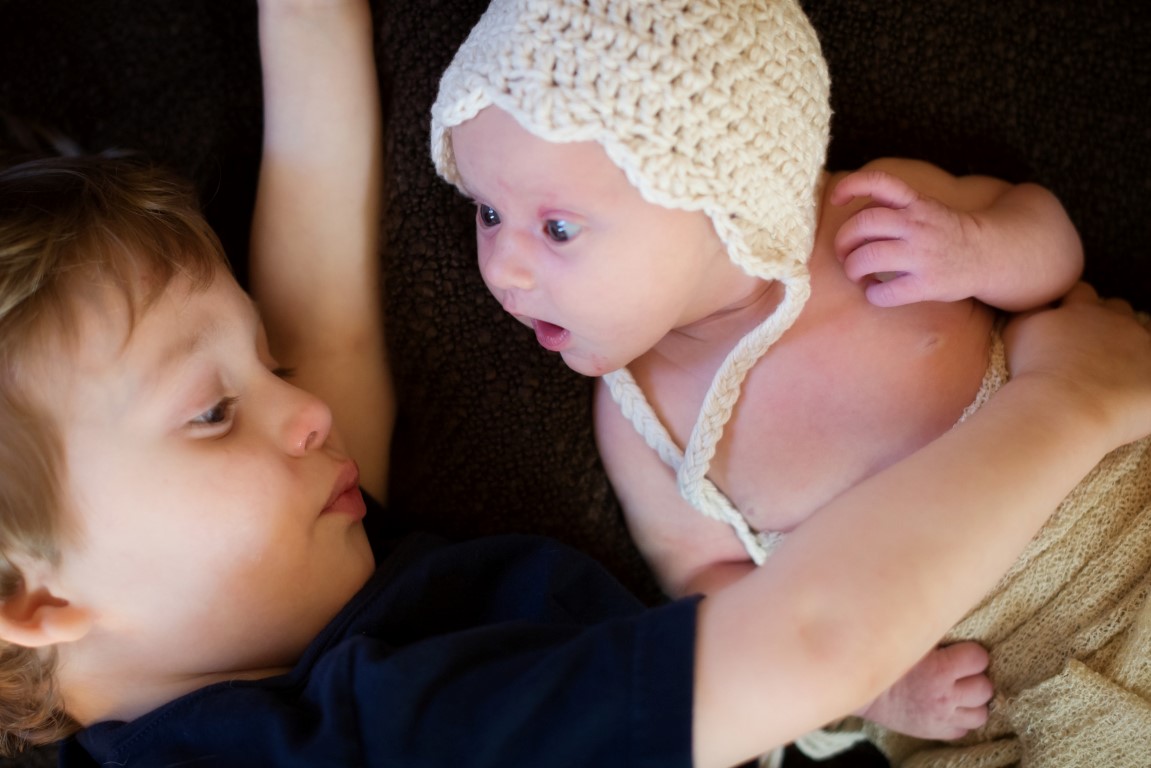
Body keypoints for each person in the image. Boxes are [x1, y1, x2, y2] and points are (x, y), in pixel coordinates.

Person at [1, 2, 1150, 768]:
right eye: (212, 414)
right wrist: (1068, 405)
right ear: (31, 599)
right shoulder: (362, 739)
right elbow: (805, 642)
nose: (305, 409)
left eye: (262, 366)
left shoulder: (275, 619)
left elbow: (322, 302)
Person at [429, 0, 1151, 764]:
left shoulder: (871, 218)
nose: (501, 271)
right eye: (486, 212)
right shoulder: (640, 419)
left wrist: (978, 247)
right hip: (992, 695)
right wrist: (876, 690)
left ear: (716, 193)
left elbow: (1048, 245)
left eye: (557, 229)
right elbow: (710, 584)